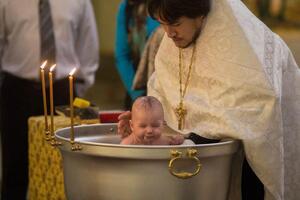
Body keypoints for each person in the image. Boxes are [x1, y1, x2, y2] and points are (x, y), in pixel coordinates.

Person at [117, 0, 300, 199]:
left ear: (200, 15)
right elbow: (162, 88)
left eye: (176, 24)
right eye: (162, 23)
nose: (168, 33)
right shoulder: (173, 42)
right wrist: (144, 119)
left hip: (249, 167)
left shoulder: (240, 47)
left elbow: (258, 108)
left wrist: (192, 139)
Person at [0, 0, 99, 199]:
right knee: (15, 165)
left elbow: (88, 43)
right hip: (18, 89)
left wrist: (78, 87)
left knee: (63, 162)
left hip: (63, 89)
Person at [115, 0, 160, 109]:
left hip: (163, 84)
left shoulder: (163, 5)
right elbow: (121, 55)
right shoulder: (126, 7)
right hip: (137, 86)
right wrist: (138, 93)